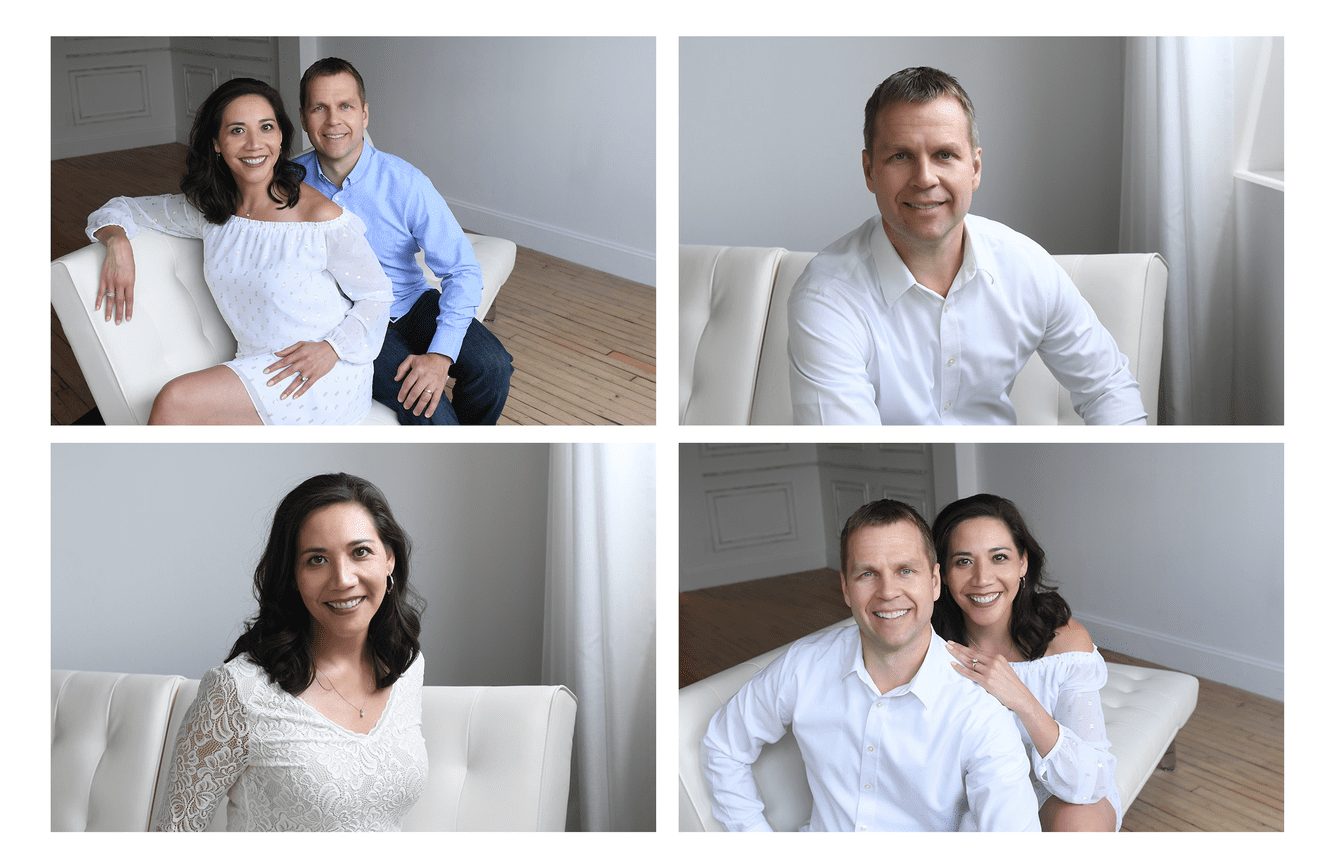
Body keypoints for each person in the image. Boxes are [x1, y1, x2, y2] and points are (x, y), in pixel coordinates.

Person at [787, 66, 1146, 425]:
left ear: (974, 168)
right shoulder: (828, 297)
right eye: (900, 156)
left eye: (944, 154)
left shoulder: (1025, 266)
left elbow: (1109, 388)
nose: (925, 179)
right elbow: (851, 454)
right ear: (869, 171)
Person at [702, 498, 1039, 831]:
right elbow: (722, 745)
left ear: (935, 582)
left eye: (905, 570)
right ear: (847, 589)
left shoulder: (979, 710)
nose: (888, 592)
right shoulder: (804, 666)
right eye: (868, 574)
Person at [87, 78, 392, 425]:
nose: (254, 144)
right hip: (255, 363)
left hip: (321, 372)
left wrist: (332, 348)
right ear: (217, 143)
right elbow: (119, 208)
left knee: (175, 400)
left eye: (266, 127)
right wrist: (116, 240)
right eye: (237, 131)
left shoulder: (320, 218)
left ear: (280, 137)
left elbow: (378, 295)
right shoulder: (212, 211)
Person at [153, 473, 428, 831]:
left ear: (388, 559)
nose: (343, 578)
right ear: (293, 575)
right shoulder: (238, 692)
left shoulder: (407, 666)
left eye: (360, 552)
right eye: (317, 560)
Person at [293, 58, 513, 425]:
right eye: (320, 108)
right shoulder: (287, 183)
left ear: (364, 114)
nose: (333, 120)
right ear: (304, 118)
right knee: (431, 412)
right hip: (350, 320)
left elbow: (461, 269)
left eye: (345, 106)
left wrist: (441, 357)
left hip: (411, 302)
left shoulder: (405, 182)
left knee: (493, 368)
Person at [931, 494, 1121, 831]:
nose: (982, 579)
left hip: (1052, 789)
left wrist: (1021, 699)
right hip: (969, 791)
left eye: (999, 557)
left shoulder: (1065, 645)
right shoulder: (932, 644)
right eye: (963, 561)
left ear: (1023, 564)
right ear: (942, 573)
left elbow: (1090, 781)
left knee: (1081, 820)